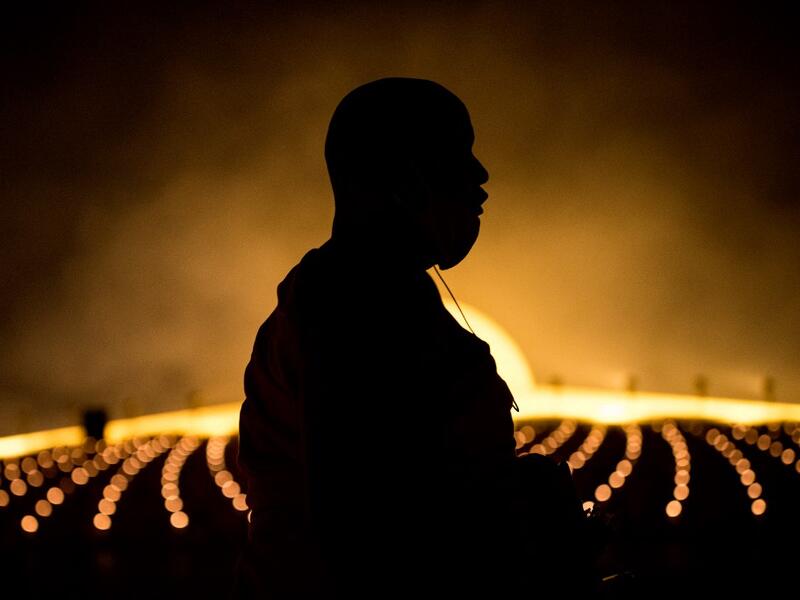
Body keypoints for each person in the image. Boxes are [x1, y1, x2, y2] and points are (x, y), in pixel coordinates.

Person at [234, 77, 598, 599]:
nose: (481, 177)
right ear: (406, 182)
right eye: (459, 155)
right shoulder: (350, 304)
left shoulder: (377, 294)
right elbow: (364, 525)